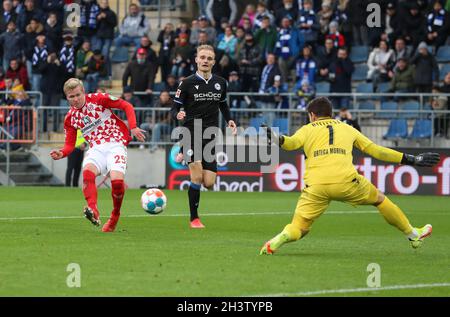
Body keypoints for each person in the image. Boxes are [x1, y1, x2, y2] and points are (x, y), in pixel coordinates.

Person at [260, 97, 439, 255]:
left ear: (312, 115)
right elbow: (376, 150)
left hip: (315, 185)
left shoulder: (308, 129)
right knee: (380, 200)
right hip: (346, 181)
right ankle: (413, 235)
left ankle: (282, 236)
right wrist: (410, 159)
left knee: (299, 227)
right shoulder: (347, 128)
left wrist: (277, 138)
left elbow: (290, 144)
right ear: (330, 114)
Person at [50, 78, 146, 232]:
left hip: (116, 143)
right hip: (96, 148)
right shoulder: (70, 118)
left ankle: (114, 216)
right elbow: (69, 144)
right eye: (71, 97)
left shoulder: (98, 99)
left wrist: (133, 127)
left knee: (117, 183)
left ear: (83, 92)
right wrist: (61, 153)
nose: (75, 99)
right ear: (66, 97)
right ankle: (93, 210)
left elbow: (126, 105)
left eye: (77, 95)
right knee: (87, 173)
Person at [173, 44, 237, 228]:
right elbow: (174, 106)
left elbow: (223, 105)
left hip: (210, 134)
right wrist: (178, 114)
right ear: (196, 60)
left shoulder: (221, 82)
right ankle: (194, 218)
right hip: (190, 131)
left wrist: (229, 120)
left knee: (208, 182)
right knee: (196, 177)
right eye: (202, 57)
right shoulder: (186, 83)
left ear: (214, 62)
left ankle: (183, 153)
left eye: (209, 58)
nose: (205, 61)